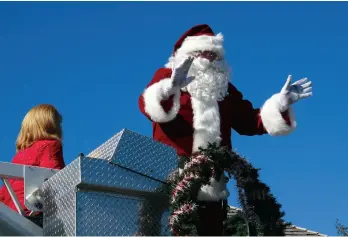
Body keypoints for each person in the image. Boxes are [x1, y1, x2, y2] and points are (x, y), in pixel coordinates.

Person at [138, 24, 312, 235]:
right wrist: (170, 87)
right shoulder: (167, 75)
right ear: (187, 55)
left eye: (215, 54)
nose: (209, 58)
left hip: (214, 182)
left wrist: (280, 105)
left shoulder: (225, 89)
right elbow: (148, 107)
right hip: (172, 174)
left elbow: (251, 122)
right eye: (203, 52)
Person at [0, 104, 65, 223]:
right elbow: (56, 178)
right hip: (33, 213)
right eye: (58, 123)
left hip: (12, 214)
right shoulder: (51, 145)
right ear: (50, 124)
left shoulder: (19, 155)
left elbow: (5, 191)